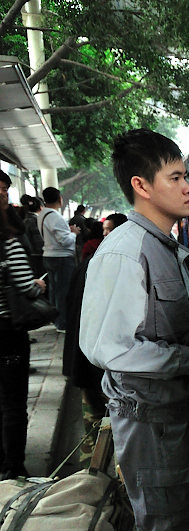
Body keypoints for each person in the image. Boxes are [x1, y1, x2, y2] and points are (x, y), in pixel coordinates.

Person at [79, 129, 189, 531]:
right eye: (175, 177)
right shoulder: (124, 250)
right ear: (142, 186)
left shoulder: (165, 245)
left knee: (187, 528)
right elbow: (107, 347)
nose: (187, 187)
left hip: (178, 417)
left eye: (186, 176)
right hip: (152, 425)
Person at [63, 213, 128, 463]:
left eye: (112, 231)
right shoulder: (105, 266)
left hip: (91, 363)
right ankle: (96, 489)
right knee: (105, 432)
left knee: (98, 433)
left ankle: (94, 486)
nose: (107, 236)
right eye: (105, 231)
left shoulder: (95, 263)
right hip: (100, 366)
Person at [0, 178, 47, 480]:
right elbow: (27, 289)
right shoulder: (8, 244)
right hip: (6, 333)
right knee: (13, 403)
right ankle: (12, 467)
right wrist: (39, 285)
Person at [38, 186, 78, 332]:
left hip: (48, 256)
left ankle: (56, 320)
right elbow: (64, 241)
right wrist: (74, 233)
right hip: (61, 258)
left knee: (55, 291)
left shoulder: (42, 215)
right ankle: (62, 323)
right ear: (59, 199)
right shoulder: (55, 216)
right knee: (64, 291)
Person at [20, 194, 44, 277]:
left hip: (31, 255)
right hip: (38, 256)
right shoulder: (36, 220)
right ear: (41, 207)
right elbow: (38, 240)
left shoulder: (26, 220)